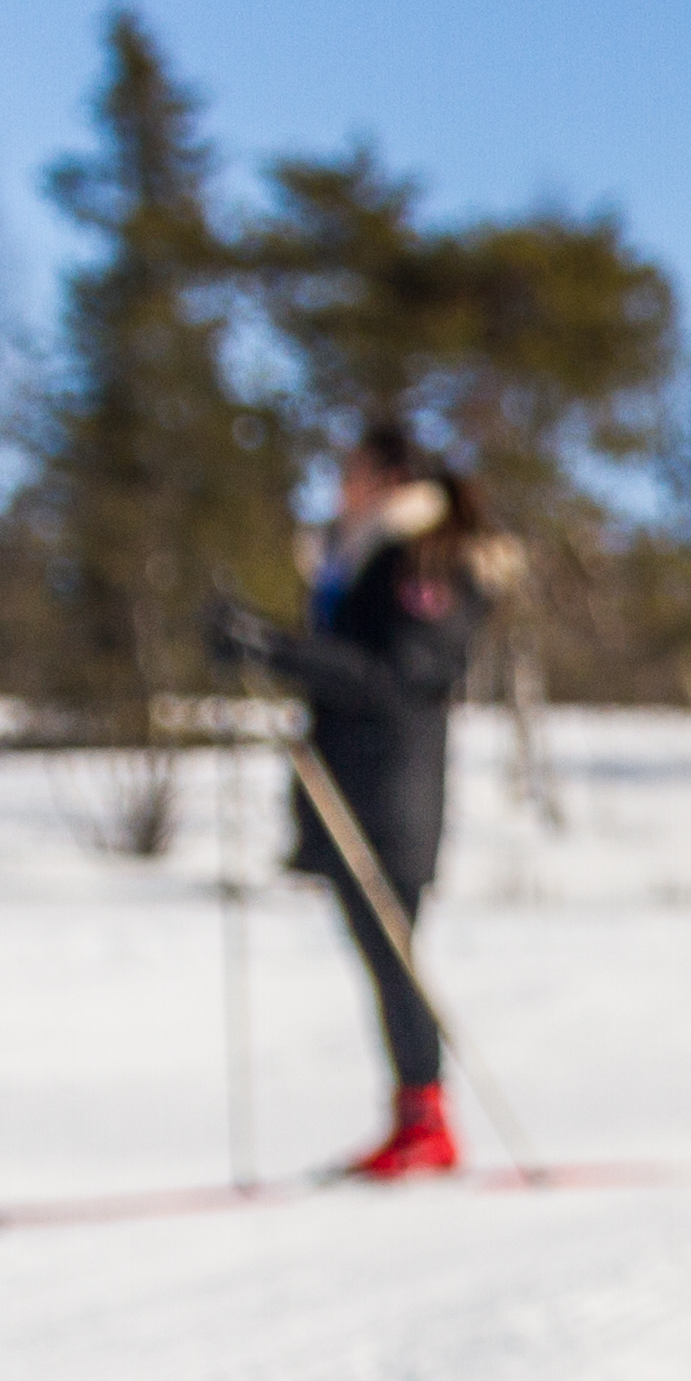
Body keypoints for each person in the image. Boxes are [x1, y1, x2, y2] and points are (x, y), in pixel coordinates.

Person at [210, 425, 499, 1179]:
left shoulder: (421, 561)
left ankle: (428, 1122)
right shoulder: (353, 561)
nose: (340, 484)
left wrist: (272, 649)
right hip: (347, 787)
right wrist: (266, 649)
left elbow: (394, 675)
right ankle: (414, 1117)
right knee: (382, 957)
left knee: (394, 956)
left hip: (391, 793)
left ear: (389, 478)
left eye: (352, 471)